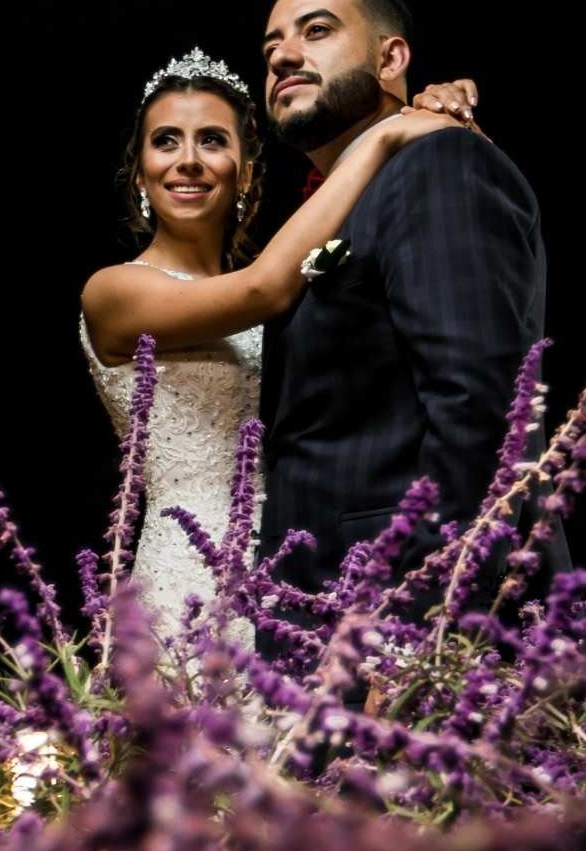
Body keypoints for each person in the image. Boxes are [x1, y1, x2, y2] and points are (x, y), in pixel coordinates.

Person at [78, 47, 478, 637]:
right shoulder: (113, 291)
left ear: (243, 170)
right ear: (139, 171)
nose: (188, 160)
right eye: (165, 142)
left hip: (298, 562)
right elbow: (262, 288)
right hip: (185, 573)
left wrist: (425, 114)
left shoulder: (284, 281)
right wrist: (384, 137)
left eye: (212, 140)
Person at [253, 0, 570, 618]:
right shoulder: (324, 213)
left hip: (405, 615)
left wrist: (420, 609)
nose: (283, 55)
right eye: (271, 46)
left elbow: (482, 406)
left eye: (317, 30)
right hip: (312, 607)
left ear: (391, 57)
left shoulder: (440, 161)